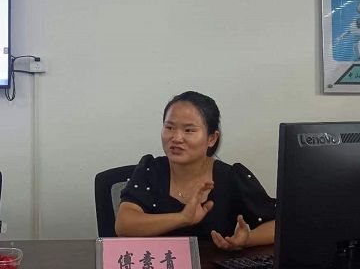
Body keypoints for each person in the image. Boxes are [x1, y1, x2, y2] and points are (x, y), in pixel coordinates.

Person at [115, 91, 275, 250]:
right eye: (169, 127)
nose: (176, 138)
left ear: (212, 138)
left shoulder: (231, 177)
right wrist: (182, 218)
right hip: (159, 264)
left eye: (189, 130)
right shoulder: (150, 170)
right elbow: (124, 225)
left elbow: (277, 224)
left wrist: (247, 240)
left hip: (214, 266)